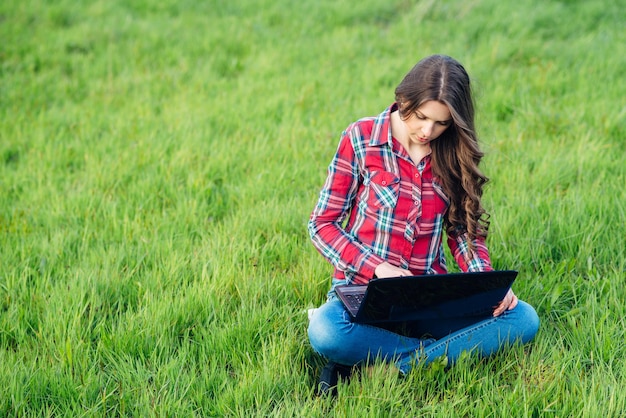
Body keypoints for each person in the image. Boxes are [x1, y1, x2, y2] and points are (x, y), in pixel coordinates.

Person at [307, 54, 539, 395]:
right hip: (363, 291)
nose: (428, 131)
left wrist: (487, 287)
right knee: (326, 331)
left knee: (523, 319)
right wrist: (378, 268)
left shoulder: (452, 152)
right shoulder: (361, 138)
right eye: (421, 117)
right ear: (404, 99)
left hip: (427, 294)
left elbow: (462, 232)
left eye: (442, 123)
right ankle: (432, 353)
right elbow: (322, 224)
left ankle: (382, 366)